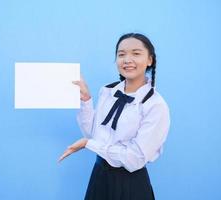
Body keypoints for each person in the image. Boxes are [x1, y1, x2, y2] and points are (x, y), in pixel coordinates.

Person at [58, 33, 170, 200]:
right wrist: (86, 101)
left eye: (136, 53)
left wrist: (89, 144)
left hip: (130, 184)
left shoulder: (155, 105)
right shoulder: (107, 91)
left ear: (150, 60)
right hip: (99, 177)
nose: (127, 59)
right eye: (121, 54)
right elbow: (93, 135)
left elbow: (134, 159)